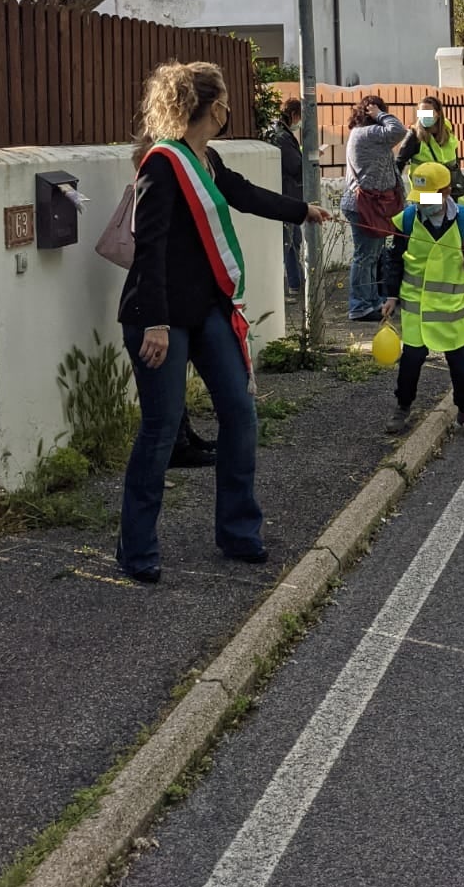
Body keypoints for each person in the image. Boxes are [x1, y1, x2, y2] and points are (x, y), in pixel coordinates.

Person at [117, 61, 331, 582]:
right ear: (212, 107)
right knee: (161, 429)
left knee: (239, 412)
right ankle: (135, 547)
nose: (228, 111)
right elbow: (150, 248)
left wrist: (303, 212)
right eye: (226, 102)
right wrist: (156, 323)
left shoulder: (205, 159)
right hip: (160, 318)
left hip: (208, 311)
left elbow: (246, 195)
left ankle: (238, 531)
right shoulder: (162, 164)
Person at [381, 161, 464, 442]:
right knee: (412, 360)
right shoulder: (406, 219)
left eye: (429, 198)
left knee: (458, 362)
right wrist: (391, 295)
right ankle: (402, 406)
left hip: (452, 306)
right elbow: (393, 261)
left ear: (445, 192)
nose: (423, 205)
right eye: (419, 199)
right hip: (416, 304)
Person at [341, 94, 406, 321]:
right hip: (369, 204)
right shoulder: (368, 134)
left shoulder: (366, 135)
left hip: (375, 204)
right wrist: (379, 114)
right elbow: (398, 130)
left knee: (373, 255)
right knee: (366, 256)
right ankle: (360, 305)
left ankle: (371, 301)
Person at [274, 97, 305, 300]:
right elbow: (295, 166)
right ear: (294, 115)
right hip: (288, 194)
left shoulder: (282, 135)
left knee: (294, 241)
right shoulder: (281, 137)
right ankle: (292, 285)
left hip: (290, 194)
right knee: (289, 242)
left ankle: (297, 282)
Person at [395, 94, 461, 179]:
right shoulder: (414, 135)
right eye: (422, 113)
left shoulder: (448, 129)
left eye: (428, 112)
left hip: (448, 186)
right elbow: (400, 162)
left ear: (438, 113)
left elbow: (455, 158)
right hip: (426, 188)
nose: (424, 116)